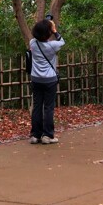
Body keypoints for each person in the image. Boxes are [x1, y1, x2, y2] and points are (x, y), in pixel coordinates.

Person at [27, 16, 65, 144]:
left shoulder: (33, 43)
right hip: (50, 80)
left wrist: (45, 26)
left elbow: (38, 36)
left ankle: (35, 135)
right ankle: (47, 136)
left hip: (36, 79)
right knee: (48, 107)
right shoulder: (53, 46)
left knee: (37, 106)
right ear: (48, 33)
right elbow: (62, 41)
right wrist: (54, 30)